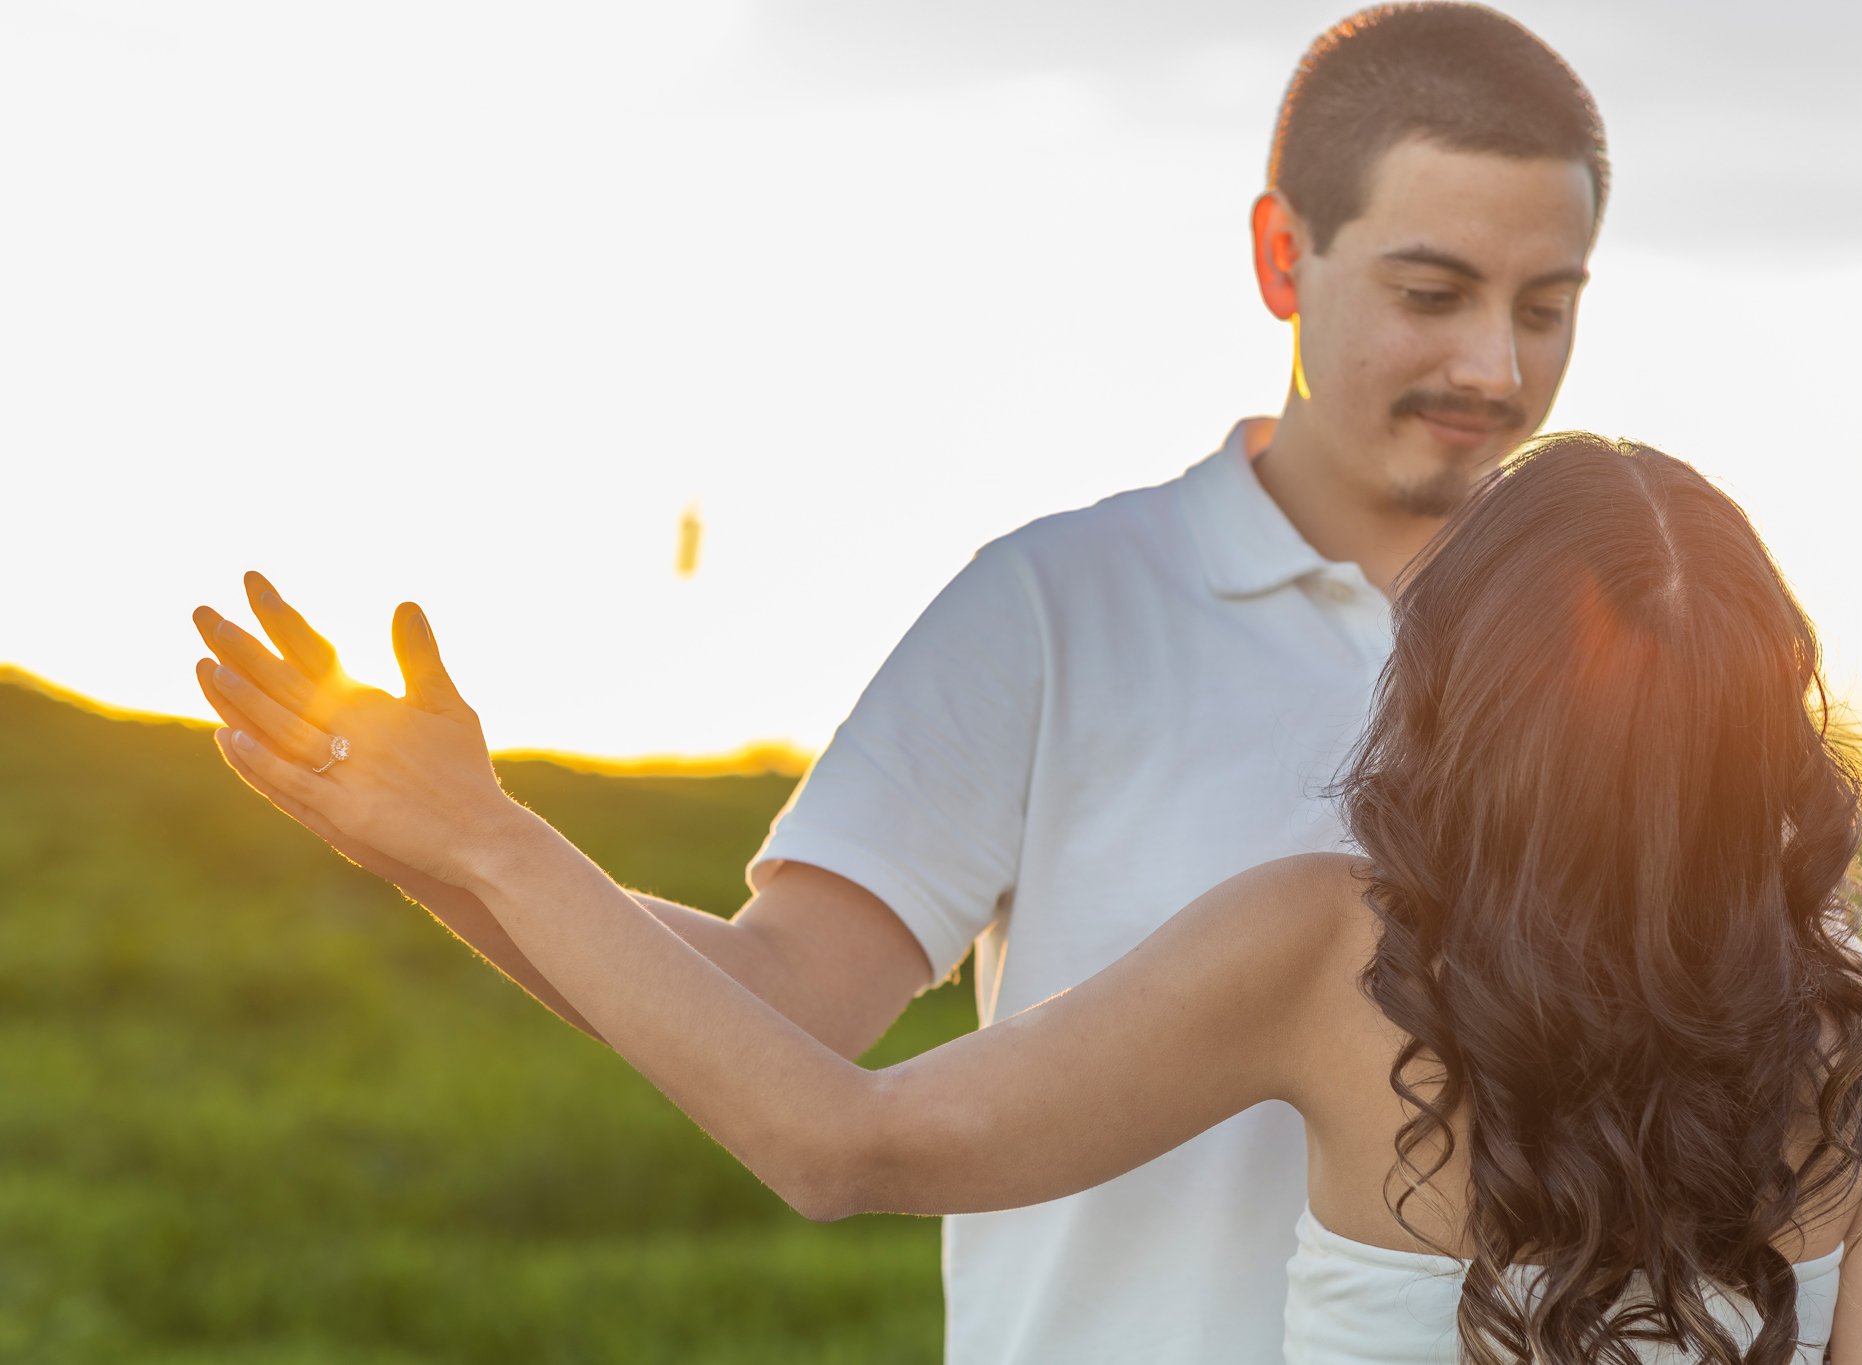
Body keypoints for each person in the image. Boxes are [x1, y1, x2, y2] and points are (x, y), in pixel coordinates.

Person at [195, 6, 1616, 1360]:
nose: (1494, 367)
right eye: (1432, 295)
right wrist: (461, 841)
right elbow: (786, 1008)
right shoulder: (1061, 606)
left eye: (1546, 307)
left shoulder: (1627, 656)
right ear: (1281, 255)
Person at [192, 435, 1862, 1361]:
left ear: (1460, 703)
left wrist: (493, 840)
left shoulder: (1338, 952)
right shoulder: (1860, 1053)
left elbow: (840, 1140)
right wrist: (463, 845)